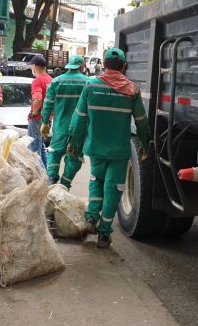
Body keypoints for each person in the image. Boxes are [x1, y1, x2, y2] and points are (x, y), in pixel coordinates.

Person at [68, 48, 149, 248]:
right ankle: (104, 233)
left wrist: (74, 144)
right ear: (124, 66)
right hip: (119, 151)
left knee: (96, 181)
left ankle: (90, 218)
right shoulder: (132, 90)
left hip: (95, 147)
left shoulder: (90, 86)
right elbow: (141, 122)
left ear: (104, 65)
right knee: (114, 189)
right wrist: (145, 146)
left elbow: (79, 119)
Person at [40, 55, 87, 188]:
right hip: (79, 129)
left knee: (54, 152)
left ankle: (52, 179)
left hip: (60, 126)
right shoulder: (87, 82)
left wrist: (45, 123)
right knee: (75, 157)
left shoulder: (56, 82)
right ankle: (65, 185)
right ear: (81, 66)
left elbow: (47, 105)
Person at [28, 54, 53, 168]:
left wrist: (34, 112)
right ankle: (47, 174)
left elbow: (37, 98)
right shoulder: (50, 79)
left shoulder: (37, 81)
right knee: (41, 146)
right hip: (47, 118)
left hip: (37, 117)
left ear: (34, 66)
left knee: (34, 149)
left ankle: (41, 178)